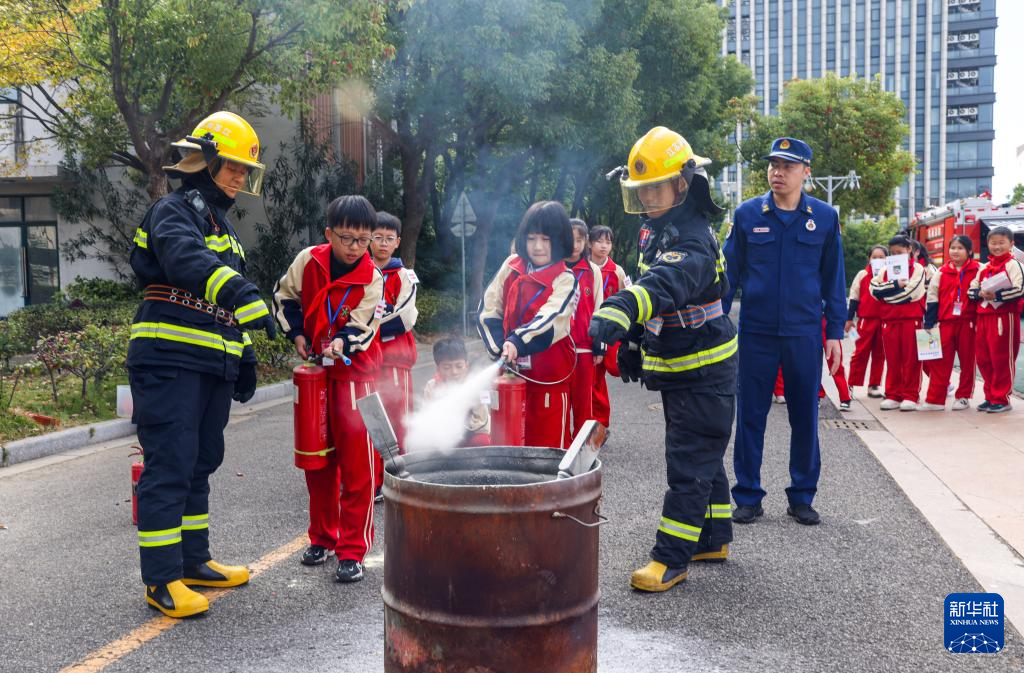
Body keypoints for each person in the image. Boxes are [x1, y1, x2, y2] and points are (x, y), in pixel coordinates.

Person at [128, 111, 277, 618]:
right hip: (169, 358)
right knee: (169, 464)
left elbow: (225, 311)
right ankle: (162, 580)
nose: (239, 177)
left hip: (208, 361)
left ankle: (194, 562)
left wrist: (245, 355)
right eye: (231, 166)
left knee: (199, 463)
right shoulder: (173, 211)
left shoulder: (222, 227)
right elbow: (185, 260)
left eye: (244, 170)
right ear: (204, 160)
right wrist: (239, 289)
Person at [589, 126, 736, 593]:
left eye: (656, 187)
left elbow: (662, 286)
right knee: (705, 457)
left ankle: (670, 559)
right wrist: (632, 341)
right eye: (642, 191)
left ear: (683, 184)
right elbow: (659, 294)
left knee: (688, 462)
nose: (648, 197)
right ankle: (712, 536)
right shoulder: (658, 227)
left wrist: (622, 308)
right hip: (685, 367)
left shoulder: (693, 240)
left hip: (703, 371)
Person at [723, 137, 846, 527]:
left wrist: (835, 332)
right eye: (774, 164)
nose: (778, 171)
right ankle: (747, 495)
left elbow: (834, 278)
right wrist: (714, 321)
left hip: (804, 333)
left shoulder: (824, 217)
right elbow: (729, 275)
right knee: (751, 415)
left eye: (788, 166)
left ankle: (802, 495)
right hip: (757, 332)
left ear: (805, 172)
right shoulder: (746, 215)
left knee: (805, 415)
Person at [273, 195, 385, 583]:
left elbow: (363, 324)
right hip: (316, 374)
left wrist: (341, 342)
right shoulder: (309, 260)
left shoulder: (373, 276)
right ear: (328, 234)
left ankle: (352, 550)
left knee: (358, 470)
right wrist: (299, 335)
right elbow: (284, 297)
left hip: (355, 378)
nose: (355, 248)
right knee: (317, 463)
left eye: (363, 240)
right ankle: (322, 538)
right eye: (347, 238)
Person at [478, 201, 578, 448]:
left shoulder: (566, 279)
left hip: (548, 383)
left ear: (560, 240)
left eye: (546, 239)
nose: (537, 247)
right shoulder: (511, 265)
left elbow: (550, 318)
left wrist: (516, 342)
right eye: (531, 238)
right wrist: (499, 349)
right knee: (507, 447)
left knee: (548, 451)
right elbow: (489, 309)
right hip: (510, 377)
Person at [369, 211, 418, 495]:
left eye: (389, 238)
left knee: (399, 417)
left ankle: (399, 475)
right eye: (377, 237)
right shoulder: (361, 271)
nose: (383, 244)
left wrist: (370, 330)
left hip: (396, 360)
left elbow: (405, 318)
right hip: (368, 360)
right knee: (372, 418)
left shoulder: (404, 275)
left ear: (398, 242)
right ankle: (375, 478)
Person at [967, 226, 1024, 412]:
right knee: (984, 359)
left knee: (1001, 358)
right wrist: (979, 294)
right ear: (987, 244)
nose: (997, 246)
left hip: (1004, 317)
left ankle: (1001, 398)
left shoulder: (1013, 264)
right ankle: (990, 395)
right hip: (983, 318)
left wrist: (996, 296)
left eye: (1001, 243)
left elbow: (1020, 289)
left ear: (1011, 244)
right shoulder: (984, 266)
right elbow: (971, 289)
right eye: (993, 243)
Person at [921, 236, 980, 411]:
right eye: (953, 247)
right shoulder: (941, 271)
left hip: (968, 323)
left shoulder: (979, 269)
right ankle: (935, 399)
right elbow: (932, 297)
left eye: (960, 248)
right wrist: (929, 323)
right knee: (939, 362)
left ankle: (963, 396)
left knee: (968, 362)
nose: (955, 251)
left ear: (969, 251)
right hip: (945, 323)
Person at [870, 235, 927, 411]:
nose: (896, 255)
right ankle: (893, 394)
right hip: (889, 320)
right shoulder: (885, 269)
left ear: (909, 250)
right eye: (892, 253)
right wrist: (895, 285)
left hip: (911, 319)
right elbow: (873, 289)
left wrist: (885, 297)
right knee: (893, 359)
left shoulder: (918, 268)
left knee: (911, 359)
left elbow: (913, 293)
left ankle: (911, 395)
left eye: (900, 252)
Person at [588, 225, 628, 429]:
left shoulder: (617, 271)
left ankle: (599, 424)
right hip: (588, 332)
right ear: (590, 243)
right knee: (592, 380)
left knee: (606, 373)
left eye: (608, 241)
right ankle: (592, 424)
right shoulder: (582, 269)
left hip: (609, 332)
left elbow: (626, 298)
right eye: (599, 241)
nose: (604, 246)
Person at [566, 218, 604, 434]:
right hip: (559, 349)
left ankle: (582, 453)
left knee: (583, 403)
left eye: (579, 240)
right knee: (561, 402)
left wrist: (599, 344)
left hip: (585, 347)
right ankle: (561, 451)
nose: (575, 245)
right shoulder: (553, 268)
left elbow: (599, 308)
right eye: (570, 239)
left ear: (586, 242)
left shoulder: (592, 271)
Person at [423, 337, 490, 446]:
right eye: (447, 367)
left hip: (471, 433)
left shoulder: (477, 385)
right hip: (443, 436)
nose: (454, 372)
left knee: (481, 440)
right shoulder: (431, 387)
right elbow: (427, 419)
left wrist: (461, 431)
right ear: (438, 368)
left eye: (459, 366)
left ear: (466, 366)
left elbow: (482, 420)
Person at [846, 246, 888, 399]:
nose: (878, 260)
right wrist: (849, 319)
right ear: (869, 259)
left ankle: (874, 385)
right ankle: (851, 384)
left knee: (880, 354)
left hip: (884, 320)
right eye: (874, 257)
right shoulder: (862, 274)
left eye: (881, 257)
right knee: (860, 352)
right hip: (865, 320)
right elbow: (854, 296)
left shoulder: (891, 275)